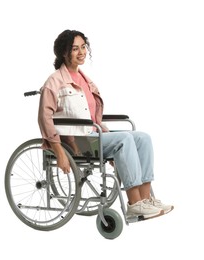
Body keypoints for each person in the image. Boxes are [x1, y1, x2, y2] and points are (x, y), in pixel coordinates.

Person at [38, 29, 173, 220]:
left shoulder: (85, 79)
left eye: (83, 47)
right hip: (76, 142)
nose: (81, 52)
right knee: (125, 139)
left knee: (142, 137)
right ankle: (134, 204)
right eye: (75, 48)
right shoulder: (55, 81)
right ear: (63, 53)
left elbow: (93, 118)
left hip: (92, 136)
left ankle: (146, 199)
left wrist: (107, 136)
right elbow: (44, 118)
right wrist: (59, 152)